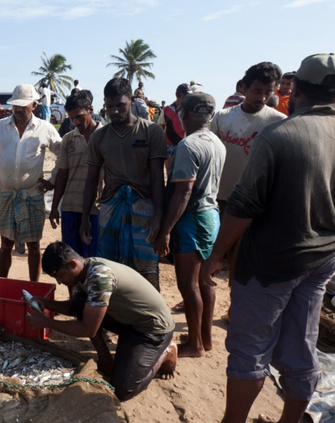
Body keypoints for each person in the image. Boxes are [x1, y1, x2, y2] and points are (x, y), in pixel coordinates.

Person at [182, 53, 335, 423]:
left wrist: (216, 258)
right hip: (323, 259)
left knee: (249, 344)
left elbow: (244, 206)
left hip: (272, 261)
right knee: (302, 343)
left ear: (295, 89)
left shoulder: (281, 135)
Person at [26, 242, 177, 401]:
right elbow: (74, 307)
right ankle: (106, 360)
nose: (59, 282)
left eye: (59, 275)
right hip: (128, 320)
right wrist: (45, 303)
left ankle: (166, 352)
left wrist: (46, 322)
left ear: (72, 264)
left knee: (123, 390)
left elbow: (88, 329)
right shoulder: (85, 268)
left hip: (151, 330)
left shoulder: (100, 277)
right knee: (81, 305)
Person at [153, 93, 226, 358]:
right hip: (211, 215)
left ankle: (194, 345)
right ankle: (205, 338)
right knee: (205, 282)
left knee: (189, 285)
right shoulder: (217, 142)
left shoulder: (188, 146)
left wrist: (166, 230)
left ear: (186, 114)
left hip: (191, 219)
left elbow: (183, 192)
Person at [80, 78, 166, 290]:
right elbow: (91, 180)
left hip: (144, 208)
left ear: (132, 101)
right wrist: (85, 218)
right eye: (110, 106)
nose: (114, 111)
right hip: (110, 208)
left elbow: (157, 177)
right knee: (110, 269)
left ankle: (150, 320)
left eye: (120, 105)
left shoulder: (151, 132)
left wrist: (158, 216)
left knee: (146, 269)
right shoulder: (99, 137)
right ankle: (115, 319)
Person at [0, 83, 61, 281]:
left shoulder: (44, 128)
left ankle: (33, 286)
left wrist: (52, 179)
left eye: (24, 105)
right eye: (16, 105)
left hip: (33, 194)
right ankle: (3, 284)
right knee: (6, 244)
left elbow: (63, 154)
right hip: (6, 195)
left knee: (33, 246)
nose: (19, 110)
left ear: (34, 106)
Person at [210, 62, 286, 212]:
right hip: (219, 198)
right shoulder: (223, 117)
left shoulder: (278, 122)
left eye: (267, 92)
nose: (263, 98)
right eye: (257, 91)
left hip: (255, 203)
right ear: (244, 88)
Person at [45, 89, 102, 258]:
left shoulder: (105, 136)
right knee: (72, 259)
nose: (76, 122)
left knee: (94, 259)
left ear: (90, 110)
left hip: (96, 208)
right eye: (71, 118)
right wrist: (55, 207)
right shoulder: (68, 139)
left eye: (79, 117)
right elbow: (62, 173)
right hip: (70, 206)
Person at [162, 83, 190, 159]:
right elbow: (161, 126)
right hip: (169, 146)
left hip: (184, 146)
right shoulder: (167, 110)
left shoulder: (189, 111)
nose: (188, 99)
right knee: (169, 170)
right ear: (178, 95)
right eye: (186, 96)